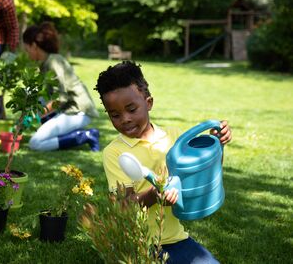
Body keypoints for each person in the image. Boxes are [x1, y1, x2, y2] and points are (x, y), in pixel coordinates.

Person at [95, 61, 232, 263]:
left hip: (174, 239)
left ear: (148, 103)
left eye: (131, 109)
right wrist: (154, 195)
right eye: (115, 115)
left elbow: (206, 175)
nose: (124, 119)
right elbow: (124, 207)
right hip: (138, 242)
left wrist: (218, 145)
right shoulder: (114, 153)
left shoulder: (176, 138)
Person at [22, 22, 100, 151]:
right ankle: (62, 132)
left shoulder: (54, 62)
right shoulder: (46, 63)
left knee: (35, 143)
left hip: (78, 111)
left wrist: (35, 117)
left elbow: (60, 99)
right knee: (33, 97)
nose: (27, 53)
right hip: (68, 110)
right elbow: (45, 96)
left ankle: (85, 135)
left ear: (34, 46)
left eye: (27, 49)